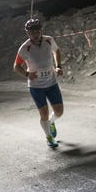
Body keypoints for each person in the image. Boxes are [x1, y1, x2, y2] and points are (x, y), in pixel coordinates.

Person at [13, 18, 64, 148]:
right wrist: (27, 74)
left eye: (37, 30)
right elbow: (16, 66)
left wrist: (58, 66)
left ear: (41, 30)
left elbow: (56, 51)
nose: (35, 34)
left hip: (51, 82)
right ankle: (49, 137)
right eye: (32, 32)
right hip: (36, 86)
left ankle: (51, 122)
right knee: (44, 114)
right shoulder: (25, 48)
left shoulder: (48, 40)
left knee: (59, 112)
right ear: (28, 33)